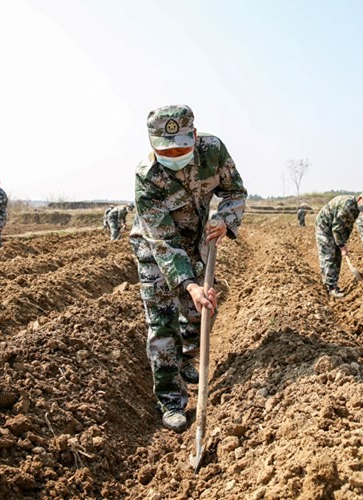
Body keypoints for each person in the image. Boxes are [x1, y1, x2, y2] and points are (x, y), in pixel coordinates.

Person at [129, 105, 247, 433]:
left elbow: (235, 192)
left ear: (194, 136)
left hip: (196, 240)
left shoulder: (213, 151)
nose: (175, 155)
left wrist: (224, 219)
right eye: (166, 151)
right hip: (156, 248)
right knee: (162, 321)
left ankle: (185, 359)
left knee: (201, 310)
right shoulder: (147, 176)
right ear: (153, 145)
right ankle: (171, 399)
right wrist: (189, 285)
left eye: (182, 147)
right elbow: (164, 242)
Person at [314, 192, 363, 298]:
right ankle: (330, 287)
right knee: (329, 255)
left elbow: (348, 226)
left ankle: (333, 283)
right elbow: (337, 228)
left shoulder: (356, 209)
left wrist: (343, 244)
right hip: (324, 227)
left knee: (338, 256)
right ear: (360, 198)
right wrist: (342, 246)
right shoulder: (346, 205)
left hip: (334, 228)